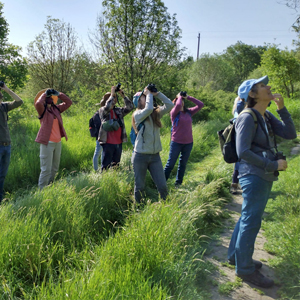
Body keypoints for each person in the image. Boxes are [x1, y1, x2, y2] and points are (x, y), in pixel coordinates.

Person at [227, 75, 296, 288]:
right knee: (251, 220)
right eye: (262, 85)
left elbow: (290, 133)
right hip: (254, 176)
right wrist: (273, 166)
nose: (268, 87)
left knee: (247, 217)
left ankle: (235, 256)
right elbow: (243, 152)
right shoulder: (247, 117)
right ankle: (245, 270)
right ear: (252, 94)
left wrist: (282, 109)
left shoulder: (265, 116)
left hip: (262, 175)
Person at [132, 86, 173, 203]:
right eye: (144, 97)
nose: (147, 98)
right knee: (140, 186)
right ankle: (139, 208)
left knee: (163, 186)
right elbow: (148, 108)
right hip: (140, 156)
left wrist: (157, 93)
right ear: (138, 101)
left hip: (155, 156)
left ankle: (165, 207)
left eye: (147, 96)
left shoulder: (155, 113)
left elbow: (170, 105)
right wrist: (148, 93)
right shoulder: (137, 114)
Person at [34, 88, 72, 189]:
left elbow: (69, 102)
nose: (49, 99)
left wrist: (59, 94)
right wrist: (44, 94)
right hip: (47, 143)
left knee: (54, 169)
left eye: (51, 97)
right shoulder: (42, 111)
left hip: (58, 143)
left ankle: (49, 188)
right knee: (46, 169)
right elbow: (38, 104)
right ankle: (41, 192)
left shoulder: (57, 109)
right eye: (48, 97)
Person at [164, 92, 204, 186]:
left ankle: (178, 183)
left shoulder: (189, 112)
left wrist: (188, 97)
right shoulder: (174, 113)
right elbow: (178, 105)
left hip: (188, 143)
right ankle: (162, 182)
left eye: (183, 101)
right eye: (180, 101)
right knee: (170, 164)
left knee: (182, 164)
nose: (181, 102)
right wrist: (178, 97)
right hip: (176, 143)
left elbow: (200, 104)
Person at [98, 86, 133, 171]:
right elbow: (108, 107)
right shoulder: (102, 110)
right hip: (108, 142)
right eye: (112, 98)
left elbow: (130, 107)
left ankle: (114, 180)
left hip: (118, 142)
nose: (114, 99)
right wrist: (112, 94)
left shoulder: (118, 110)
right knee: (105, 166)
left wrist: (123, 96)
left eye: (115, 98)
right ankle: (104, 180)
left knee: (116, 165)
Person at [0, 82, 23, 202]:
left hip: (7, 146)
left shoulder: (4, 106)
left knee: (2, 176)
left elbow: (19, 102)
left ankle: (1, 199)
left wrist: (7, 90)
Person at [230, 96, 245, 194]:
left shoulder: (238, 110)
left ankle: (235, 183)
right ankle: (235, 184)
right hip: (240, 136)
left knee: (239, 161)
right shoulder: (239, 109)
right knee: (240, 160)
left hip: (239, 137)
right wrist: (242, 99)